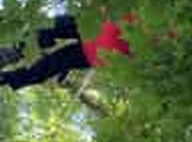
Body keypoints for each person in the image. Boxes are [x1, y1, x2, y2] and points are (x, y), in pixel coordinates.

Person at [0, 14, 133, 90]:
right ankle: (10, 58)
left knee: (51, 58)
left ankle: (8, 68)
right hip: (98, 33)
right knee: (49, 34)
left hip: (100, 46)